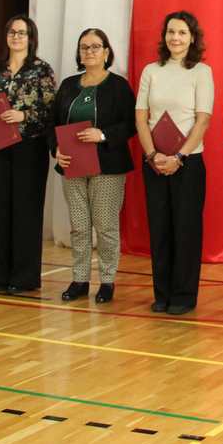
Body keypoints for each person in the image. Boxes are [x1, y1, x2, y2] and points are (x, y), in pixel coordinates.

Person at [134, 10, 214, 315]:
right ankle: (162, 294)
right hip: (154, 161)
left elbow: (203, 120)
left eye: (182, 32)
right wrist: (152, 155)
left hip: (188, 163)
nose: (175, 38)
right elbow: (141, 117)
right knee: (160, 229)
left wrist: (179, 157)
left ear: (192, 38)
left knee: (186, 230)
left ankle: (183, 296)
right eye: (170, 32)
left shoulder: (201, 72)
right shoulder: (151, 71)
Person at [50, 27, 136, 304]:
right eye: (84, 47)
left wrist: (103, 135)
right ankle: (80, 279)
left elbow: (131, 125)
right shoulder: (68, 85)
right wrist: (56, 150)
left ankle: (107, 281)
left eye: (95, 46)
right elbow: (53, 124)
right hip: (72, 165)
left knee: (105, 225)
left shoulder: (119, 86)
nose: (89, 51)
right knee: (79, 226)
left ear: (106, 52)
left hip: (107, 166)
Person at [0, 15, 57, 294]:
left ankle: (23, 278)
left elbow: (51, 111)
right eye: (12, 32)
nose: (16, 37)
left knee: (25, 211)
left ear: (31, 38)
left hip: (29, 148)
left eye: (22, 33)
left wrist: (23, 115)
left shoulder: (41, 69)